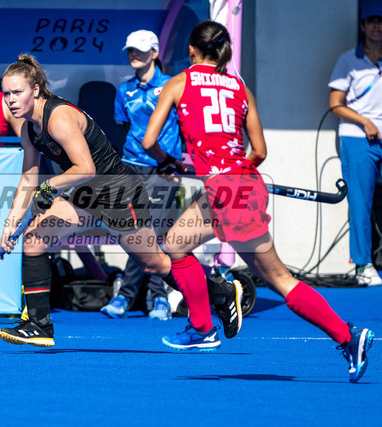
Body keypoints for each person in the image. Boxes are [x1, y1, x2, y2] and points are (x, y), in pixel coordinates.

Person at [142, 20, 374, 383]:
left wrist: (169, 161)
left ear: (191, 50)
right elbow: (259, 151)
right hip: (239, 186)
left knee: (280, 279)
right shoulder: (240, 87)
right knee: (174, 245)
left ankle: (348, 337)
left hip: (226, 192)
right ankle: (202, 325)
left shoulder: (179, 83)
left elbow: (148, 141)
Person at [0, 53, 240, 348]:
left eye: (17, 92)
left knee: (154, 264)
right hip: (85, 193)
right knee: (34, 239)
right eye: (6, 94)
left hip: (118, 191)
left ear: (35, 90)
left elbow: (86, 167)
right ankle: (39, 325)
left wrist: (51, 185)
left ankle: (222, 294)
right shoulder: (28, 129)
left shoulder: (58, 117)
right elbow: (28, 178)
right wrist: (11, 222)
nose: (10, 100)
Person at [100, 30, 183, 320]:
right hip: (131, 166)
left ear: (155, 53)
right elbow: (126, 127)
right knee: (134, 232)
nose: (134, 54)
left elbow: (182, 126)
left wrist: (174, 162)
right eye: (130, 50)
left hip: (163, 168)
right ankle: (150, 297)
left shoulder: (172, 85)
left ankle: (142, 296)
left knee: (153, 233)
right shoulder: (124, 90)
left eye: (140, 50)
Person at [329, 2, 382, 286]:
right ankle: (363, 266)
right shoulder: (348, 59)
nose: (377, 26)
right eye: (372, 21)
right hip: (358, 138)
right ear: (362, 25)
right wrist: (365, 122)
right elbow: (335, 104)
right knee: (361, 202)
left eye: (381, 21)